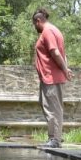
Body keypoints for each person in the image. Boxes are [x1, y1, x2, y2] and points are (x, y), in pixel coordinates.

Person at [32, 9, 73, 148]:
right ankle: (55, 138)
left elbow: (55, 52)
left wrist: (64, 69)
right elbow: (63, 53)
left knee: (52, 108)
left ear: (38, 21)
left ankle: (55, 139)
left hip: (51, 77)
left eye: (34, 24)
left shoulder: (47, 31)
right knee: (51, 106)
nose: (35, 27)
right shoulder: (55, 30)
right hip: (50, 77)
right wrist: (65, 68)